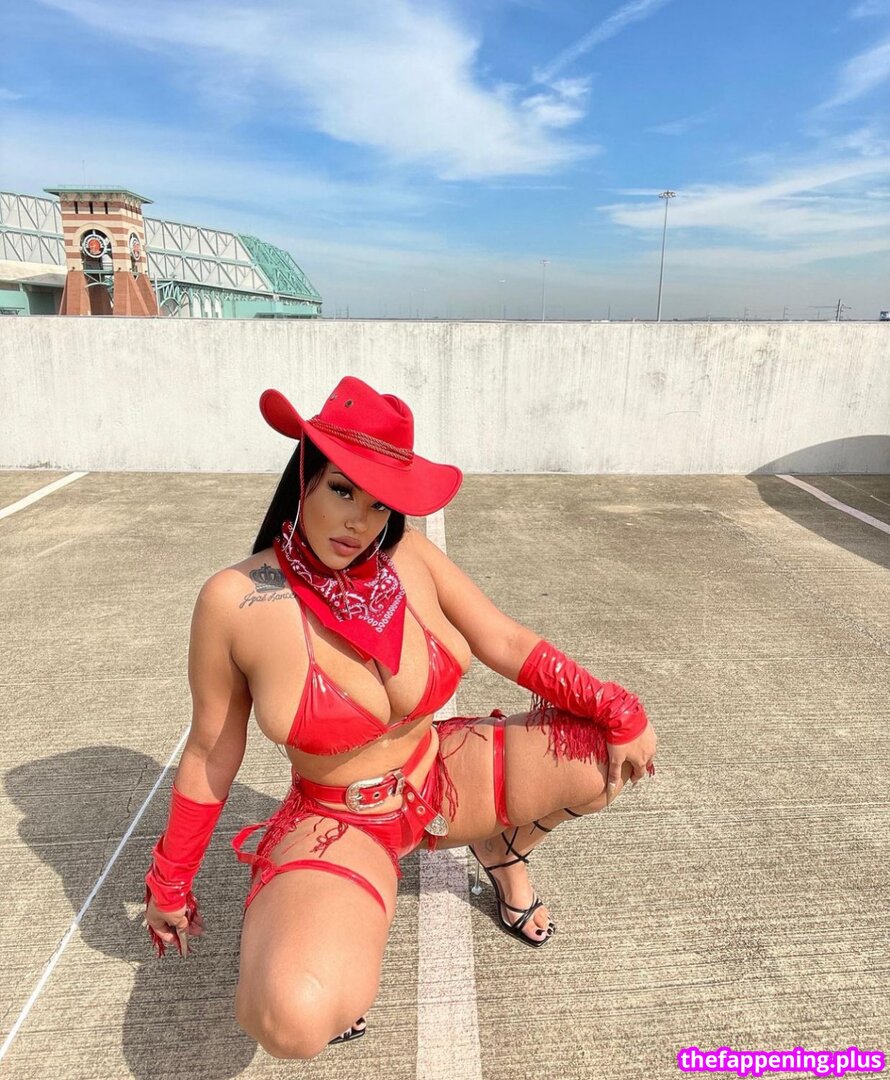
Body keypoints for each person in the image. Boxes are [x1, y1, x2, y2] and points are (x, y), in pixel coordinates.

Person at [142, 375, 657, 1059]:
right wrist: (170, 880)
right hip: (338, 820)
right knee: (290, 1017)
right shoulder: (236, 600)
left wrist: (617, 707)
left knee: (607, 756)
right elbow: (211, 751)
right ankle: (323, 925)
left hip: (440, 777)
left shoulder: (408, 556)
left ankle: (501, 850)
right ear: (304, 476)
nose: (360, 522)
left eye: (379, 503)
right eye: (342, 490)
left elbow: (503, 640)